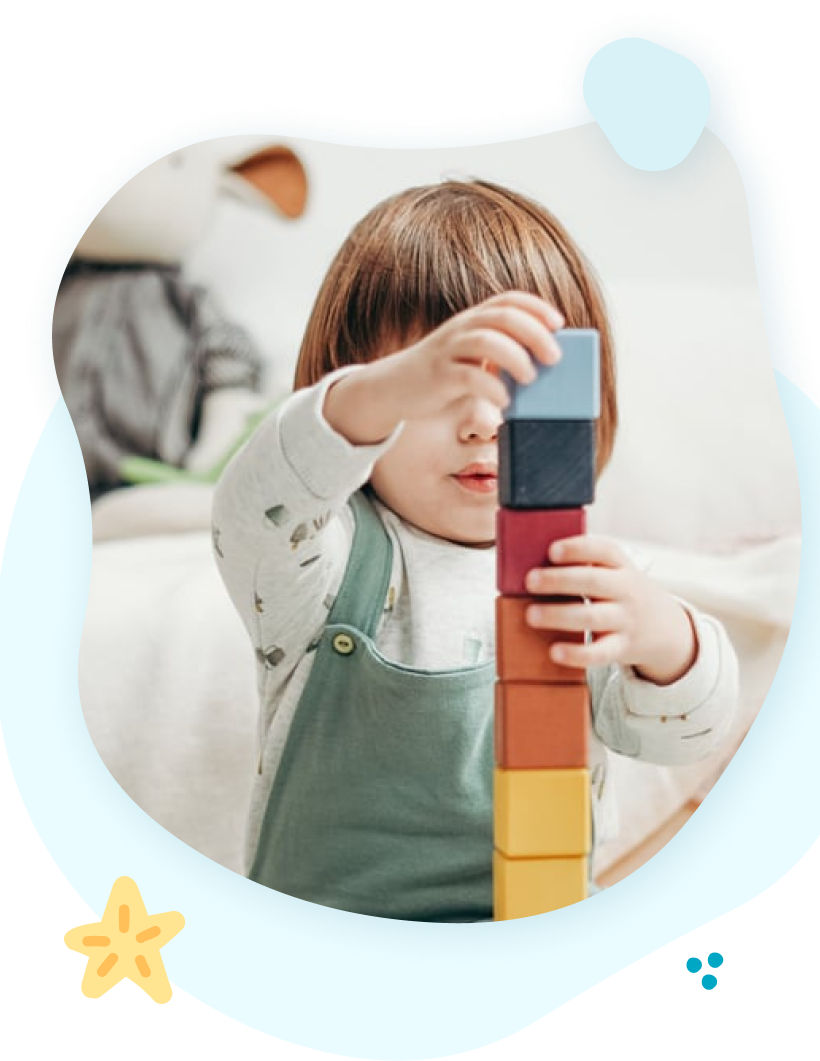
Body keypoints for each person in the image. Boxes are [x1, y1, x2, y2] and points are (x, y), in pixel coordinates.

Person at [212, 179, 738, 922]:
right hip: (327, 933)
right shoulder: (321, 562)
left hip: (531, 934)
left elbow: (688, 733)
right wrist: (376, 393)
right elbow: (252, 508)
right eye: (437, 387)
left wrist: (665, 637)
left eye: (519, 387)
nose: (483, 421)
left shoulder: (589, 578)